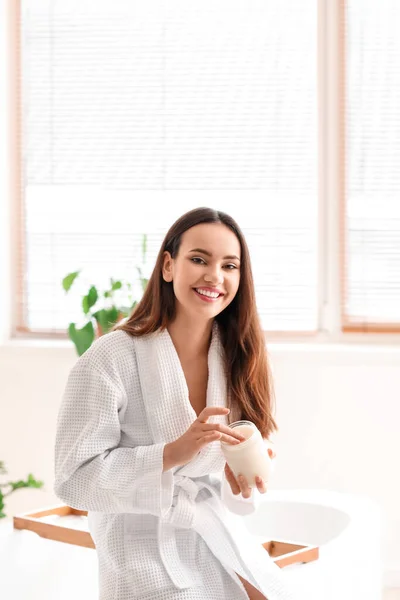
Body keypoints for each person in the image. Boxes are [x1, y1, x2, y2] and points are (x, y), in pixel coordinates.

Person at [54, 207, 294, 600]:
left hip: (207, 524)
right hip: (138, 539)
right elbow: (73, 479)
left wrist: (242, 474)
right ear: (168, 266)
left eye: (229, 265)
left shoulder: (238, 355)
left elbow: (224, 481)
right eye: (199, 259)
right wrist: (171, 453)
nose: (214, 276)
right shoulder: (109, 357)